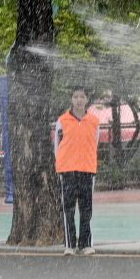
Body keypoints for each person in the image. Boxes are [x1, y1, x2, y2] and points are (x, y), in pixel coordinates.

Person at [53, 86, 101, 255]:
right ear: (71, 100)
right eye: (75, 97)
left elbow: (95, 143)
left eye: (82, 97)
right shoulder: (63, 120)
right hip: (67, 170)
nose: (79, 100)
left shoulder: (94, 121)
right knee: (69, 209)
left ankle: (86, 243)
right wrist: (61, 164)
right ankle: (69, 245)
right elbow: (57, 146)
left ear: (87, 99)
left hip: (87, 169)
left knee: (86, 208)